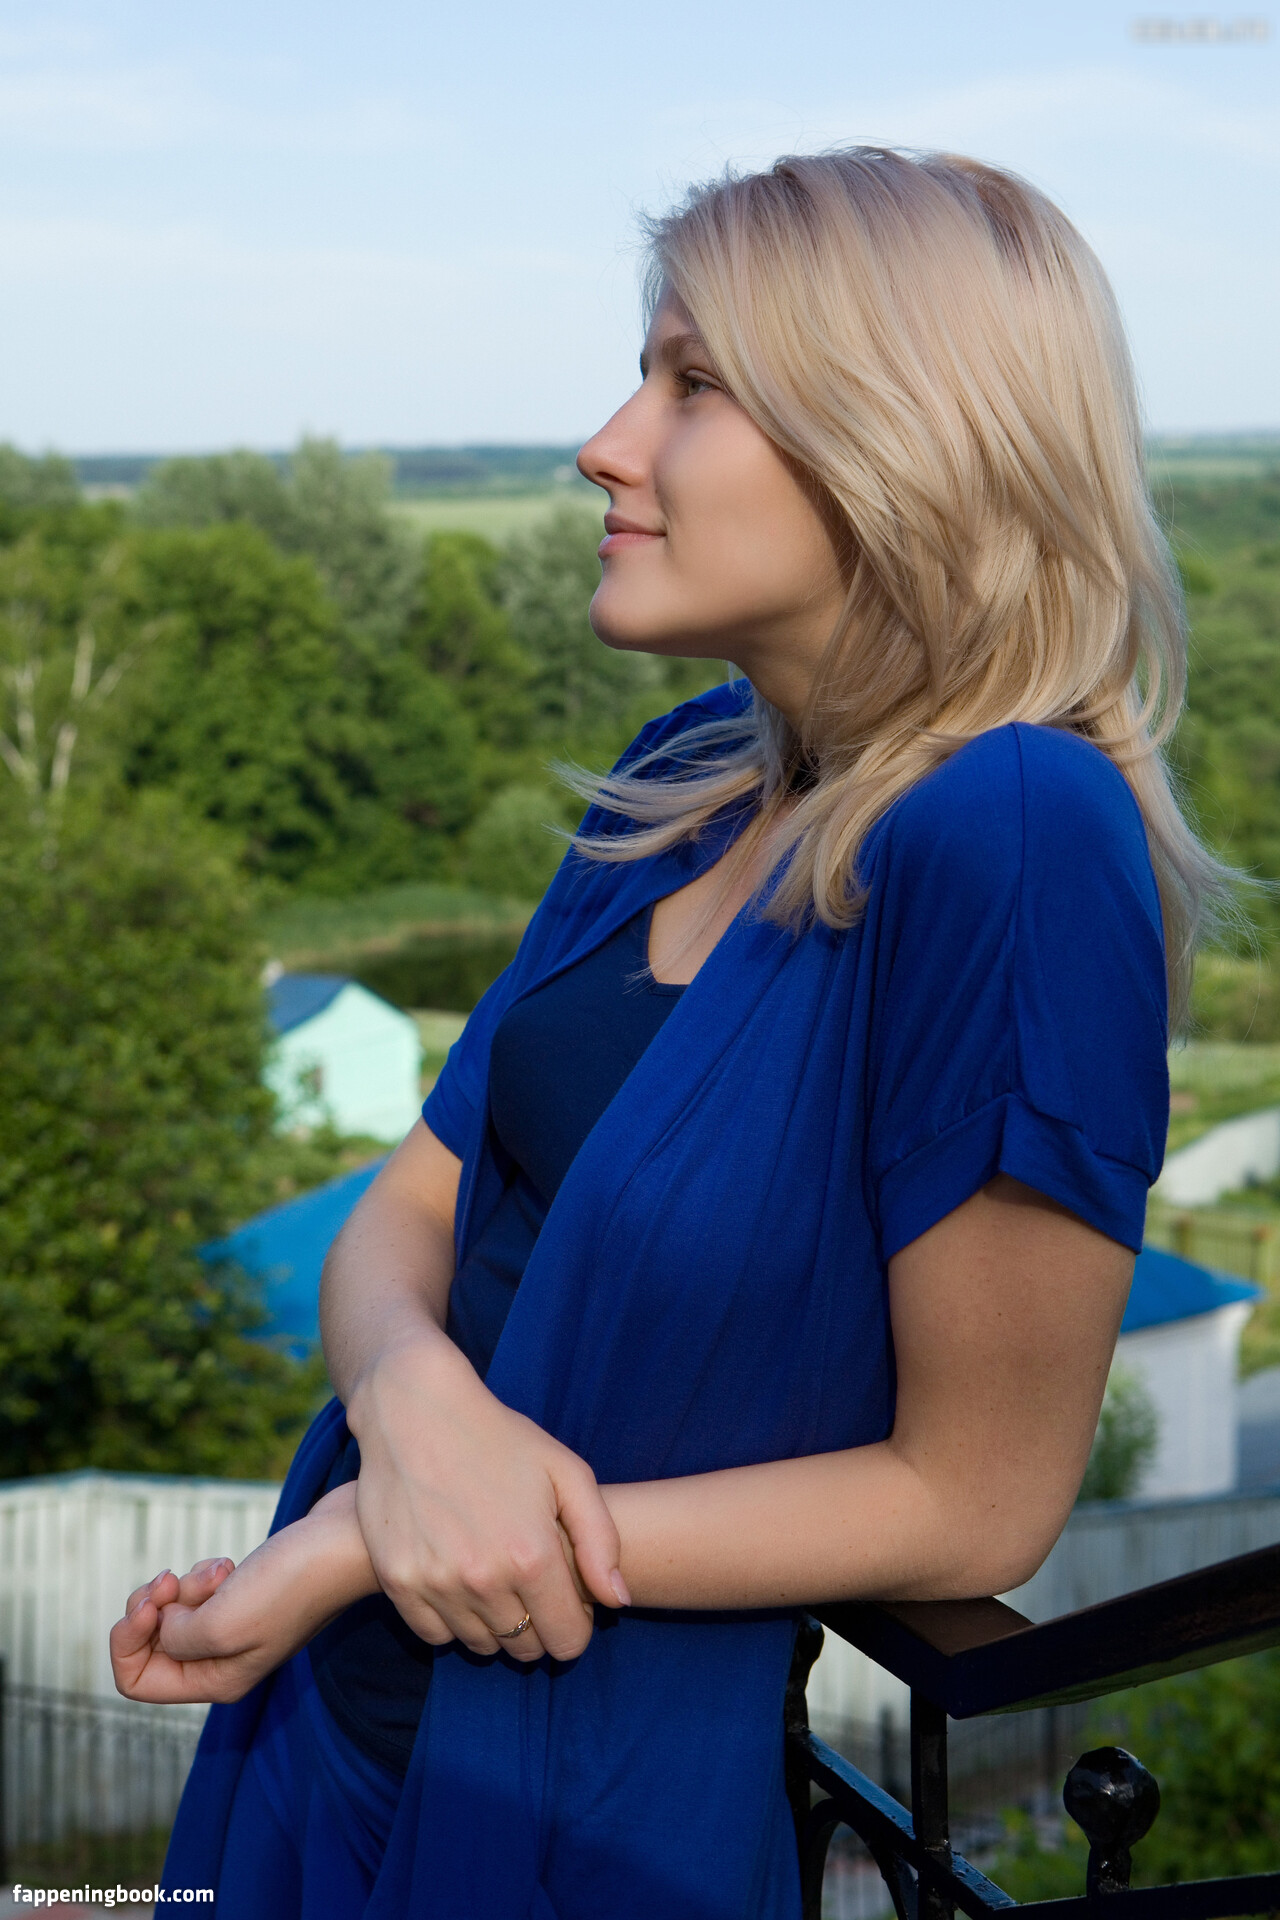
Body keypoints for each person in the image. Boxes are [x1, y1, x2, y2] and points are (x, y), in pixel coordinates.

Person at [112, 148, 1222, 1919]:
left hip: (574, 1826)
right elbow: (412, 1200)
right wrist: (409, 1414)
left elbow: (977, 1499)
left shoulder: (1014, 832)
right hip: (321, 1727)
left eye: (694, 385)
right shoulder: (690, 774)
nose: (606, 444)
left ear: (905, 436)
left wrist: (378, 1538)